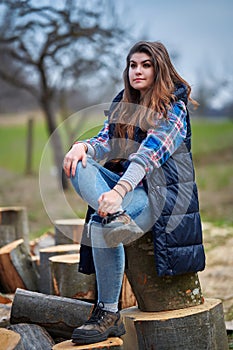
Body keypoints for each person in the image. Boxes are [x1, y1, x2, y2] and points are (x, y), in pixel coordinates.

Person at [63, 41, 205, 345]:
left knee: (104, 227)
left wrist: (118, 192)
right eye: (133, 65)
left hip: (157, 195)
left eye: (146, 65)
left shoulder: (173, 108)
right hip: (121, 192)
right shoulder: (123, 103)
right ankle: (116, 217)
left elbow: (148, 156)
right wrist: (82, 146)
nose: (137, 71)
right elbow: (105, 140)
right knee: (80, 164)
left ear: (159, 68)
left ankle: (107, 313)